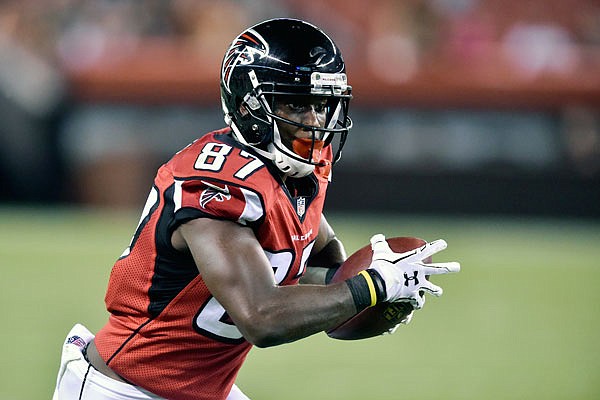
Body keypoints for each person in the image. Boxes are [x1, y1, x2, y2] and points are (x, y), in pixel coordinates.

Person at [53, 18, 460, 400]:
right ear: (249, 107)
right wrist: (371, 287)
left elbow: (310, 263)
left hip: (199, 389)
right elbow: (261, 316)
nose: (313, 121)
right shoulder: (214, 184)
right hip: (126, 389)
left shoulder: (302, 172)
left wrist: (375, 284)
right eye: (297, 105)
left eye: (321, 104)